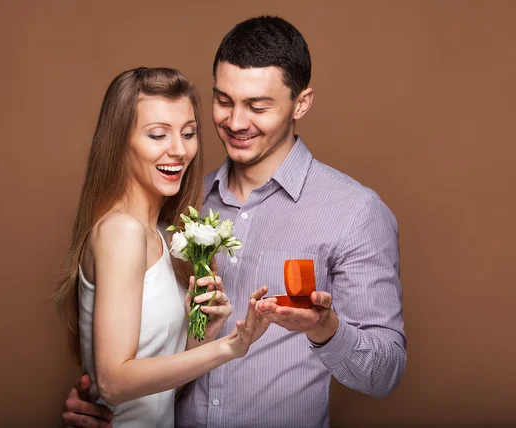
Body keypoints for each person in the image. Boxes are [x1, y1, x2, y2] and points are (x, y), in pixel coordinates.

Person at [63, 16, 406, 428]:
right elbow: (137, 348)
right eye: (224, 101)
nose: (236, 122)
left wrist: (327, 330)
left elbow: (384, 374)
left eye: (258, 106)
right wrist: (98, 401)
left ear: (302, 102)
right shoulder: (178, 202)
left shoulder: (355, 212)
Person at [54, 67, 270, 428]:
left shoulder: (164, 235)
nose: (179, 150)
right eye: (158, 135)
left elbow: (155, 386)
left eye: (188, 133)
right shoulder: (121, 232)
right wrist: (229, 347)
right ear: (120, 141)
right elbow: (113, 382)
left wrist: (203, 335)